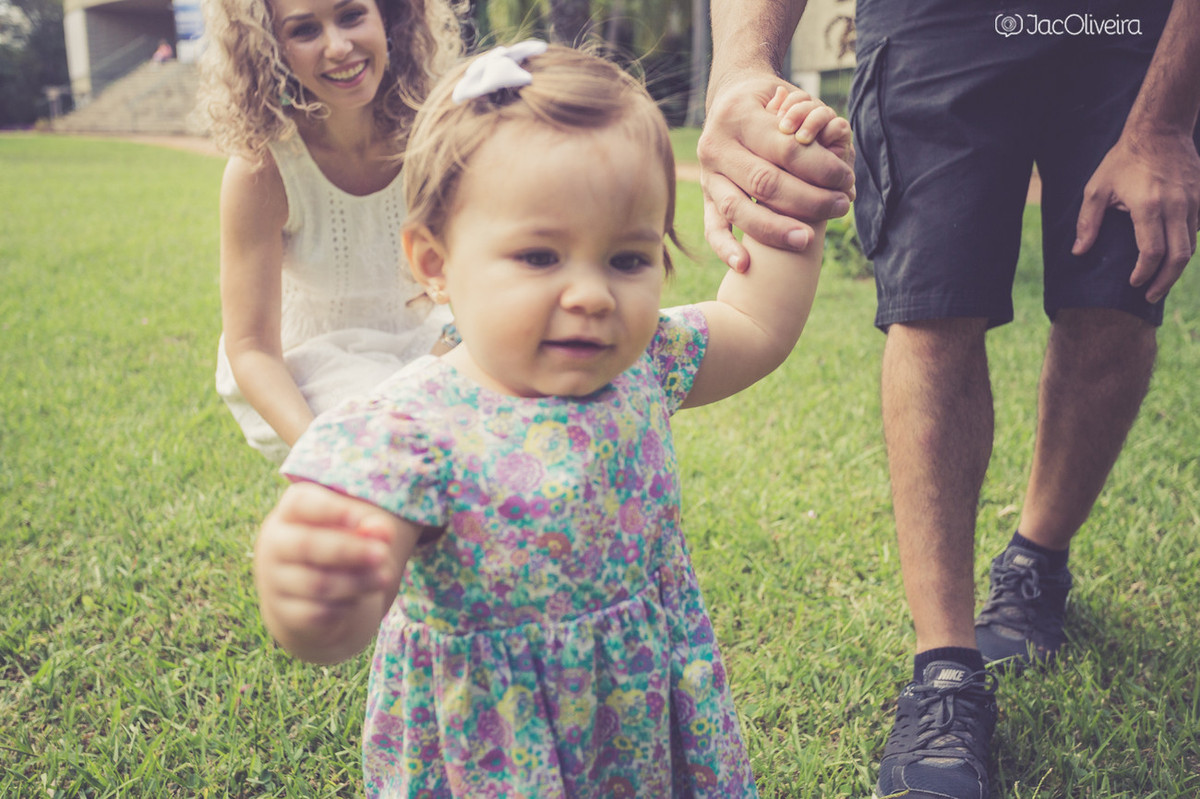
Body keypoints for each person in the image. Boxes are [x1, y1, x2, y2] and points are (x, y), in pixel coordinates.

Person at [253, 42, 847, 796]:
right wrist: (308, 586)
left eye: (627, 259)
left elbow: (755, 325)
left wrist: (794, 199)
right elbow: (338, 618)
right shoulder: (410, 427)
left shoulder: (644, 362)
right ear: (433, 263)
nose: (592, 294)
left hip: (642, 732)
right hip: (497, 756)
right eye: (540, 256)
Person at [701, 1, 1200, 798]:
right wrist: (741, 64)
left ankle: (1036, 559)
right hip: (940, 18)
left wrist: (1169, 123)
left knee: (1118, 287)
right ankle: (943, 671)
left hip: (1133, 23)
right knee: (932, 299)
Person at [196, 0, 463, 462]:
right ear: (270, 50)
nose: (338, 47)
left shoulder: (433, 133)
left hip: (427, 342)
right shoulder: (262, 169)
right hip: (315, 363)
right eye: (304, 31)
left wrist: (452, 347)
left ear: (390, 18)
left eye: (352, 16)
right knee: (390, 453)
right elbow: (252, 349)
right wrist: (323, 456)